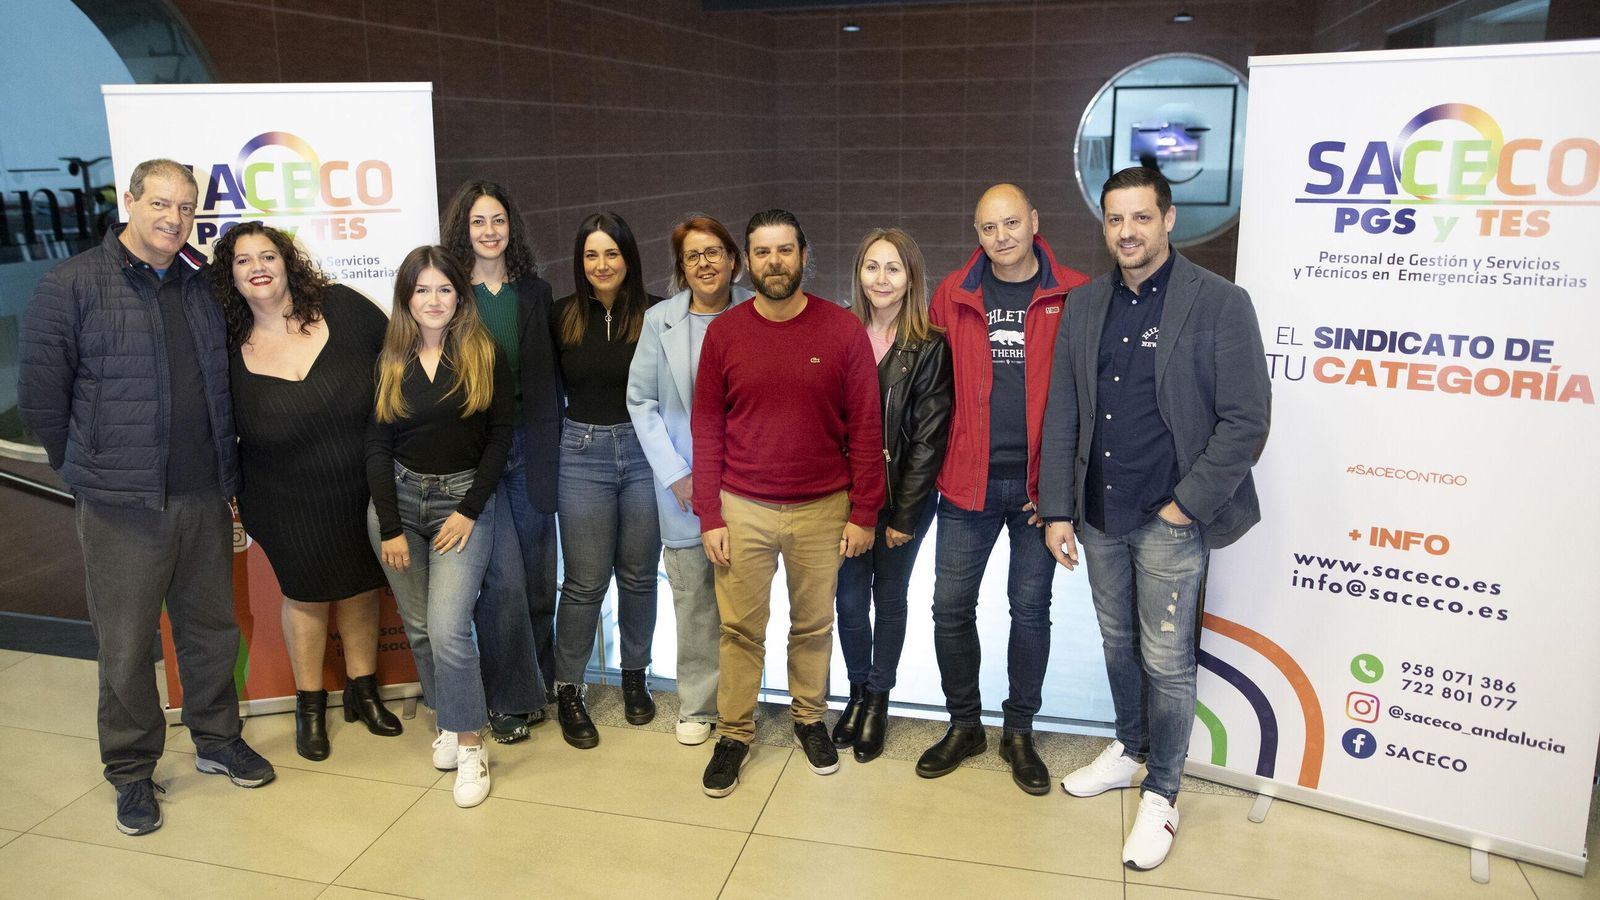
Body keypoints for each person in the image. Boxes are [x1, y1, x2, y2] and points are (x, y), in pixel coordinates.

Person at [19, 158, 275, 836]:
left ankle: (217, 740)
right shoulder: (71, 284)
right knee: (128, 646)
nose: (173, 218)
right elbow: (42, 397)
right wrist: (83, 471)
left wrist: (227, 484)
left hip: (201, 495)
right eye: (160, 203)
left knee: (211, 631)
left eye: (185, 207)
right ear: (129, 202)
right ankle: (132, 771)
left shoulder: (198, 287)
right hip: (120, 506)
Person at [1042, 166, 1270, 870]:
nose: (1127, 232)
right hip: (1100, 513)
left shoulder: (1219, 302)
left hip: (1171, 517)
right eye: (1115, 220)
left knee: (1167, 663)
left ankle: (1163, 794)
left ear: (1168, 219)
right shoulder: (1084, 305)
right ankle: (1130, 749)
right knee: (1117, 644)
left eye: (1141, 217)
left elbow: (1246, 420)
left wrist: (1185, 505)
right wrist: (1057, 509)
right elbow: (1064, 413)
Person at [692, 209, 884, 798]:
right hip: (742, 506)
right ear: (746, 262)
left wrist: (864, 511)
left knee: (813, 626)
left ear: (804, 254)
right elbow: (706, 426)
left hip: (823, 508)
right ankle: (734, 733)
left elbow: (867, 426)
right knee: (740, 630)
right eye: (762, 252)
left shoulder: (842, 329)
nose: (774, 262)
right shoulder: (725, 332)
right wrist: (710, 513)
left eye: (784, 250)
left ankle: (809, 720)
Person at [916, 183, 1090, 795]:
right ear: (977, 231)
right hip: (968, 483)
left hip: (1041, 489)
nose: (1001, 237)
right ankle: (965, 725)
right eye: (989, 228)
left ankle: (1019, 732)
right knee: (950, 610)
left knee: (1031, 612)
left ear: (1034, 221)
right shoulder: (953, 294)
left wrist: (1069, 490)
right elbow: (930, 389)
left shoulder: (1073, 292)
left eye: (1012, 224)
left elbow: (1086, 400)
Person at [210, 221, 402, 762]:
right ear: (232, 277)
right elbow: (217, 424)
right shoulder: (225, 345)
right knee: (307, 595)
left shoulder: (343, 308)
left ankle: (364, 695)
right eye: (243, 261)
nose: (258, 267)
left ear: (288, 261)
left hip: (362, 484)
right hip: (280, 496)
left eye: (266, 255)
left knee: (363, 586)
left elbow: (399, 365)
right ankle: (310, 705)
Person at [366, 245, 511, 808]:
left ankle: (472, 746)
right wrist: (392, 525)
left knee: (451, 629)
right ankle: (450, 723)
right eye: (422, 289)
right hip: (398, 503)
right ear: (407, 297)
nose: (433, 300)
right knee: (422, 627)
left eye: (444, 289)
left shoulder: (483, 352)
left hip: (462, 504)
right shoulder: (389, 358)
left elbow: (500, 438)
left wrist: (470, 509)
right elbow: (375, 447)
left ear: (459, 295)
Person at [626, 215, 753, 747]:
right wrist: (676, 474)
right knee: (694, 598)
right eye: (692, 256)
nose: (704, 263)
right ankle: (700, 706)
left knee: (744, 603)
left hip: (751, 485)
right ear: (682, 267)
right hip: (684, 487)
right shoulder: (661, 321)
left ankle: (742, 705)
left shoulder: (759, 311)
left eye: (714, 252)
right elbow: (641, 402)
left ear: (732, 259)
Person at [440, 180, 558, 744]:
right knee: (504, 583)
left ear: (512, 228)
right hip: (479, 454)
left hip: (530, 450)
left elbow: (546, 379)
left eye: (498, 221)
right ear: (463, 229)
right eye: (478, 222)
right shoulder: (448, 294)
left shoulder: (534, 293)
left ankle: (537, 686)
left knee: (537, 579)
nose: (489, 232)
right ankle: (506, 696)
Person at [831, 228, 952, 763]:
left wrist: (903, 513)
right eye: (871, 266)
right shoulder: (838, 334)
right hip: (844, 500)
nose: (881, 278)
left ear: (911, 278)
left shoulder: (929, 345)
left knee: (890, 598)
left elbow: (928, 440)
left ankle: (879, 699)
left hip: (903, 499)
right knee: (850, 601)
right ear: (858, 273)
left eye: (893, 268)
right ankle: (856, 694)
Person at [548, 212, 663, 749]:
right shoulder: (561, 317)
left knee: (639, 576)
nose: (601, 265)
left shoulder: (660, 314)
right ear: (580, 262)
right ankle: (569, 688)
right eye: (591, 255)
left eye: (611, 254)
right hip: (582, 452)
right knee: (585, 581)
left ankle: (635, 676)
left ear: (628, 258)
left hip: (645, 452)